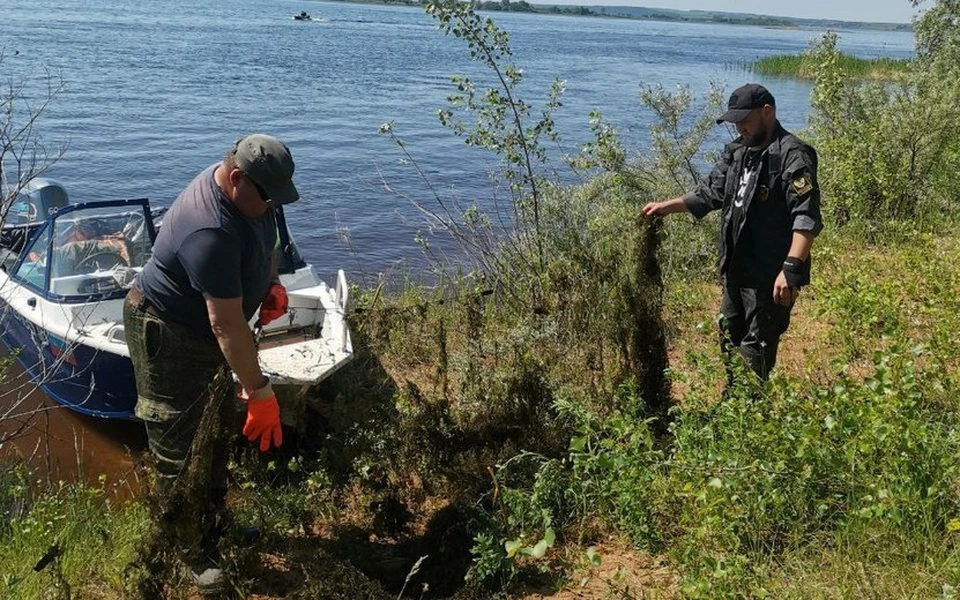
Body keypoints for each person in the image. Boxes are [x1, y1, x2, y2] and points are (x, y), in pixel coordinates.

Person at [123, 133, 297, 591]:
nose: (271, 206)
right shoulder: (210, 230)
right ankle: (188, 548)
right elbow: (226, 326)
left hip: (210, 332)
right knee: (179, 444)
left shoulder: (255, 195)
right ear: (237, 178)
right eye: (267, 198)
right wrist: (261, 393)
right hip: (169, 331)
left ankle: (214, 527)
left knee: (216, 431)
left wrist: (272, 284)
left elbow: (270, 236)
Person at [642, 83, 823, 381]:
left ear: (767, 112)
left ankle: (745, 416)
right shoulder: (738, 153)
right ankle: (735, 406)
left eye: (744, 120)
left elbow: (806, 216)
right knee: (729, 338)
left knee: (756, 349)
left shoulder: (792, 155)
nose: (740, 128)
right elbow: (709, 194)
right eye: (735, 121)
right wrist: (665, 207)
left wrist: (790, 269)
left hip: (769, 278)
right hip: (735, 272)